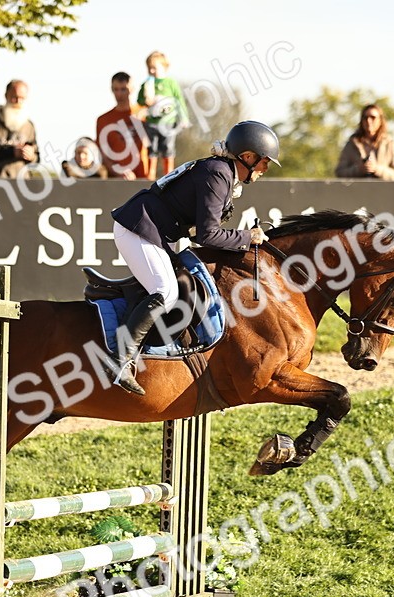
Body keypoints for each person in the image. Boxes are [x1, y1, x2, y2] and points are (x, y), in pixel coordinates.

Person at [108, 120, 280, 395]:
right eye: (264, 162)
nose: (265, 169)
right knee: (164, 290)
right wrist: (248, 237)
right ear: (247, 157)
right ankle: (120, 360)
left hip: (157, 231)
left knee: (184, 280)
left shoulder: (221, 171)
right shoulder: (218, 173)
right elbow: (207, 235)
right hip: (138, 228)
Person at [137, 51, 189, 180]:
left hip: (168, 122)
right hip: (152, 121)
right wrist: (146, 100)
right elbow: (139, 100)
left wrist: (183, 117)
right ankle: (151, 173)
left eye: (155, 68)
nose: (152, 71)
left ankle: (169, 173)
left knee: (168, 147)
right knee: (152, 147)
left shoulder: (170, 83)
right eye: (149, 68)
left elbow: (179, 100)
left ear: (164, 67)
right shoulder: (147, 84)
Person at [96, 71, 148, 179]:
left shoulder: (145, 114)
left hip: (145, 178)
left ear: (132, 89)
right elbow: (103, 154)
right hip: (117, 182)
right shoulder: (103, 120)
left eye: (124, 89)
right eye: (116, 89)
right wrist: (119, 172)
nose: (119, 94)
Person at [334, 104, 394, 180]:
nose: (368, 121)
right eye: (365, 118)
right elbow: (340, 172)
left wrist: (377, 169)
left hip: (382, 190)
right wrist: (359, 169)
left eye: (373, 118)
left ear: (380, 120)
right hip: (358, 190)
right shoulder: (352, 143)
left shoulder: (389, 144)